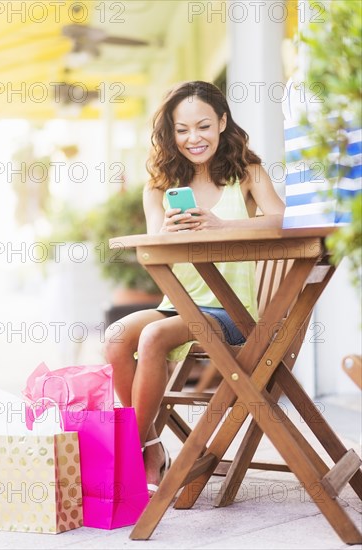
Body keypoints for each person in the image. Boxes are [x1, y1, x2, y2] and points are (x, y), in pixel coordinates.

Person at [104, 80, 285, 495]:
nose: (193, 139)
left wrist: (224, 225)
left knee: (152, 337)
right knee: (116, 337)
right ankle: (151, 445)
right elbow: (154, 255)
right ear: (171, 133)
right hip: (180, 304)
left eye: (203, 126)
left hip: (231, 313)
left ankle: (128, 455)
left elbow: (280, 220)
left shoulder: (248, 173)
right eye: (181, 130)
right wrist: (166, 232)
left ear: (222, 122)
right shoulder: (160, 184)